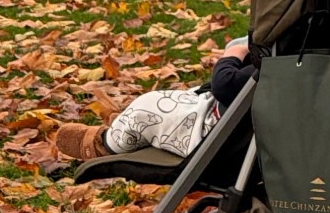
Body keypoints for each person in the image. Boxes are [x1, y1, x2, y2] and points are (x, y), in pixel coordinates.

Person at [58, 37, 256, 163]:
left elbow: (226, 84)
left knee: (147, 109)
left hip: (223, 134)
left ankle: (105, 144)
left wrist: (233, 54)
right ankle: (128, 126)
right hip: (245, 120)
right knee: (180, 98)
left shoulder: (277, 67)